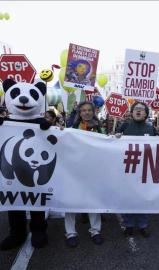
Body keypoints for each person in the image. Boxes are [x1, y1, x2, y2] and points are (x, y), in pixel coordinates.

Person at [115, 102, 159, 238]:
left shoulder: (151, 129)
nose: (138, 111)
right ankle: (128, 224)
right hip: (127, 169)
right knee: (128, 197)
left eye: (141, 110)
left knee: (143, 198)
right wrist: (115, 137)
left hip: (145, 171)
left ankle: (143, 225)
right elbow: (112, 145)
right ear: (131, 112)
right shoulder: (124, 126)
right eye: (136, 109)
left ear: (146, 114)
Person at [64, 102, 103, 248]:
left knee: (93, 201)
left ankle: (95, 231)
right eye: (83, 110)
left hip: (93, 171)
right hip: (74, 171)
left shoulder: (100, 129)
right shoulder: (72, 129)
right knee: (71, 202)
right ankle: (70, 233)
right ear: (79, 113)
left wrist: (114, 138)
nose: (86, 113)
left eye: (89, 110)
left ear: (93, 112)